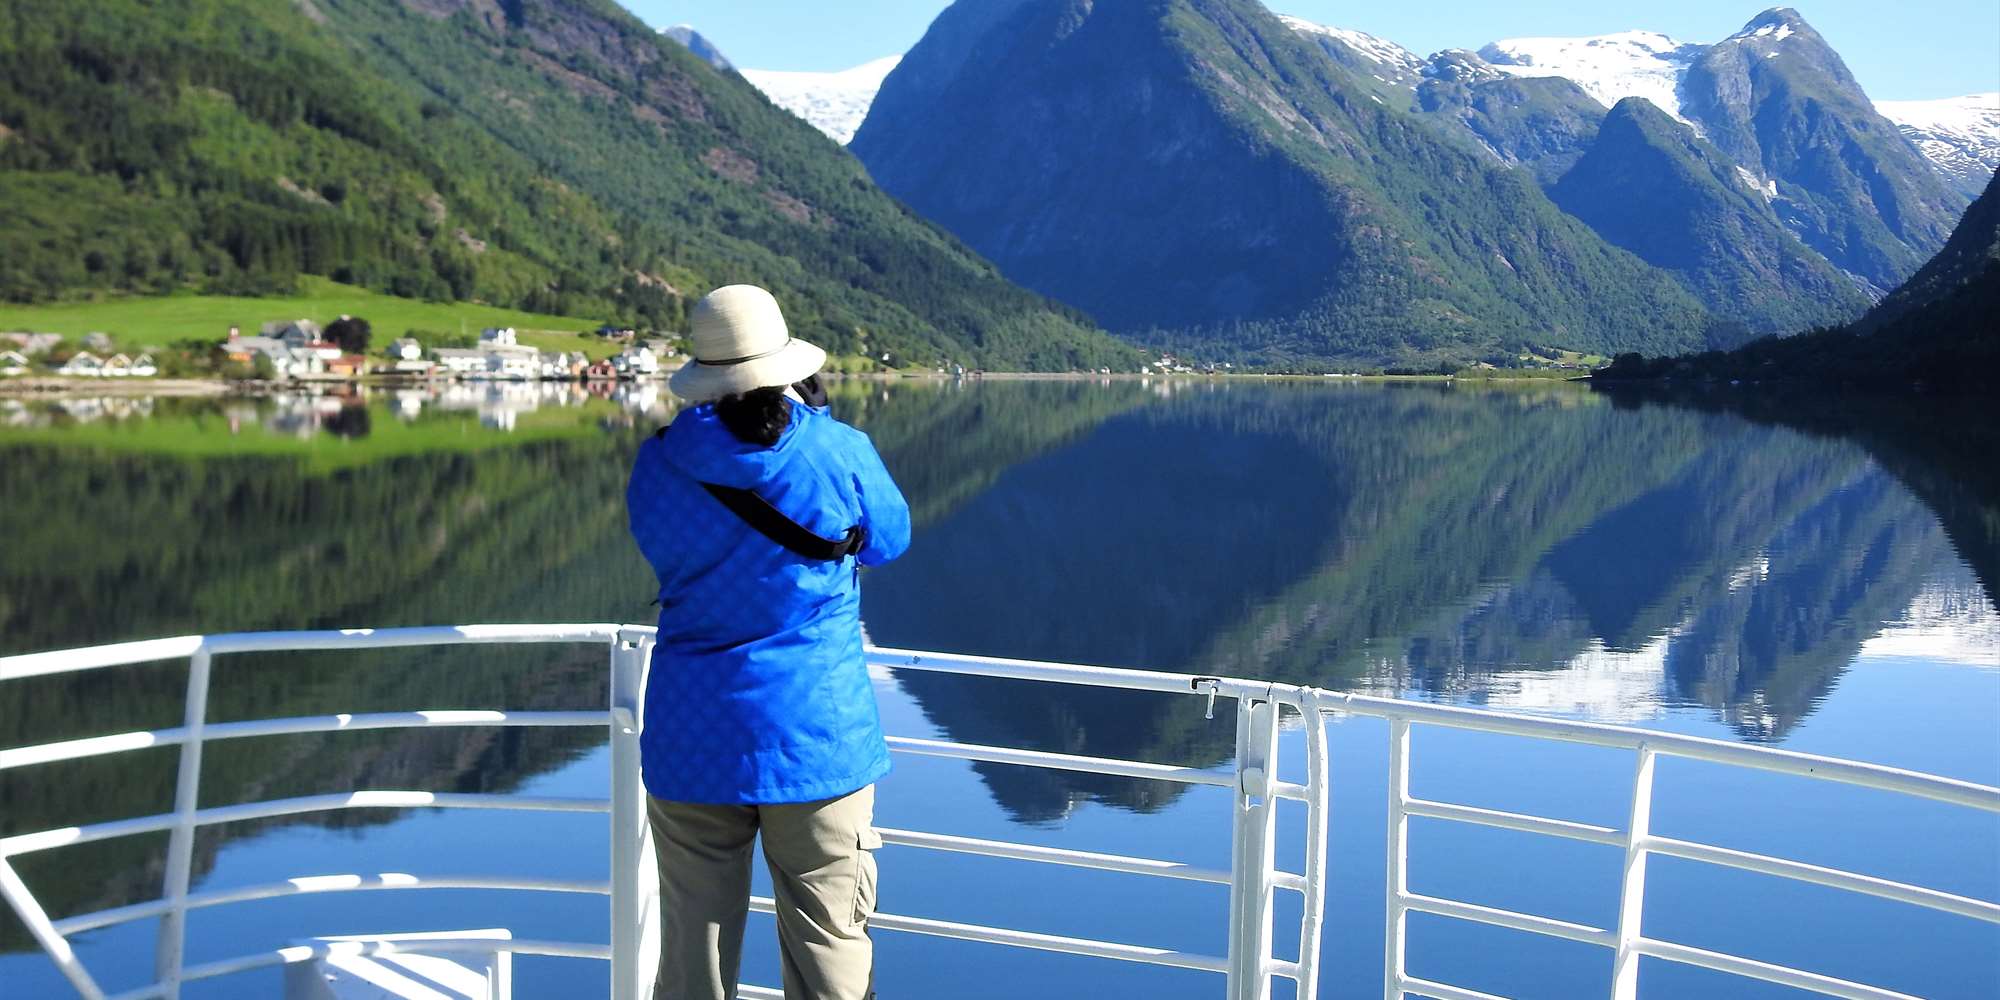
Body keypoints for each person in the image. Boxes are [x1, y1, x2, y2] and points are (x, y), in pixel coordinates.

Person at [627, 284, 911, 1000]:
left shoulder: (658, 463)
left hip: (692, 734)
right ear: (788, 366)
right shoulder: (836, 449)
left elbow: (664, 551)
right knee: (830, 947)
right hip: (814, 736)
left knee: (692, 951)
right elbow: (890, 542)